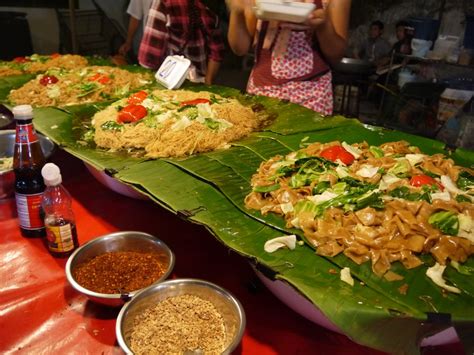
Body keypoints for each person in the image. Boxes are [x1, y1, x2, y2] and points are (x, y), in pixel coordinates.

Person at [226, 0, 351, 116]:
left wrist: (324, 25)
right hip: (262, 89)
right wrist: (237, 11)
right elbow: (240, 48)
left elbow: (336, 54)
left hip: (312, 95)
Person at [138, 0, 225, 85]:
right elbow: (217, 51)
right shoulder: (212, 4)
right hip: (200, 82)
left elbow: (149, 56)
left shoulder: (164, 2)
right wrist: (208, 82)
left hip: (171, 84)